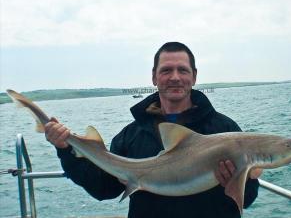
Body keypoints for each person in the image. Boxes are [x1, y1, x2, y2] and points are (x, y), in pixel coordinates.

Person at [45, 42, 261, 218]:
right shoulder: (131, 135)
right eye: (166, 70)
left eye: (182, 70)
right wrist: (66, 151)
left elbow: (248, 198)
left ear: (194, 76)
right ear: (154, 77)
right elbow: (103, 188)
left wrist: (237, 182)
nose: (175, 77)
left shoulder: (225, 130)